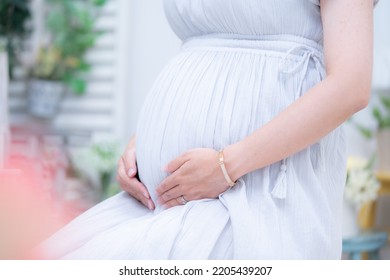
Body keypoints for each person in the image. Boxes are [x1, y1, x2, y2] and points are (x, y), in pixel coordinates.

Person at [39, 0, 378, 259]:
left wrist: (225, 166)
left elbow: (350, 86)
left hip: (252, 196)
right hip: (158, 202)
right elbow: (209, 51)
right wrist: (143, 144)